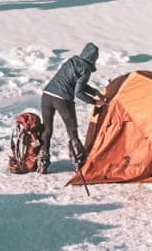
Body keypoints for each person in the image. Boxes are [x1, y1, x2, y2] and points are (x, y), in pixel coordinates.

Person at [38, 43, 104, 174]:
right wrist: (94, 102)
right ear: (94, 58)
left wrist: (95, 92)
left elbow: (75, 83)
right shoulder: (86, 68)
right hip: (62, 99)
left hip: (47, 95)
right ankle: (79, 162)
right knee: (72, 129)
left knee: (47, 129)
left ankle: (42, 160)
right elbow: (78, 93)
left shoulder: (72, 61)